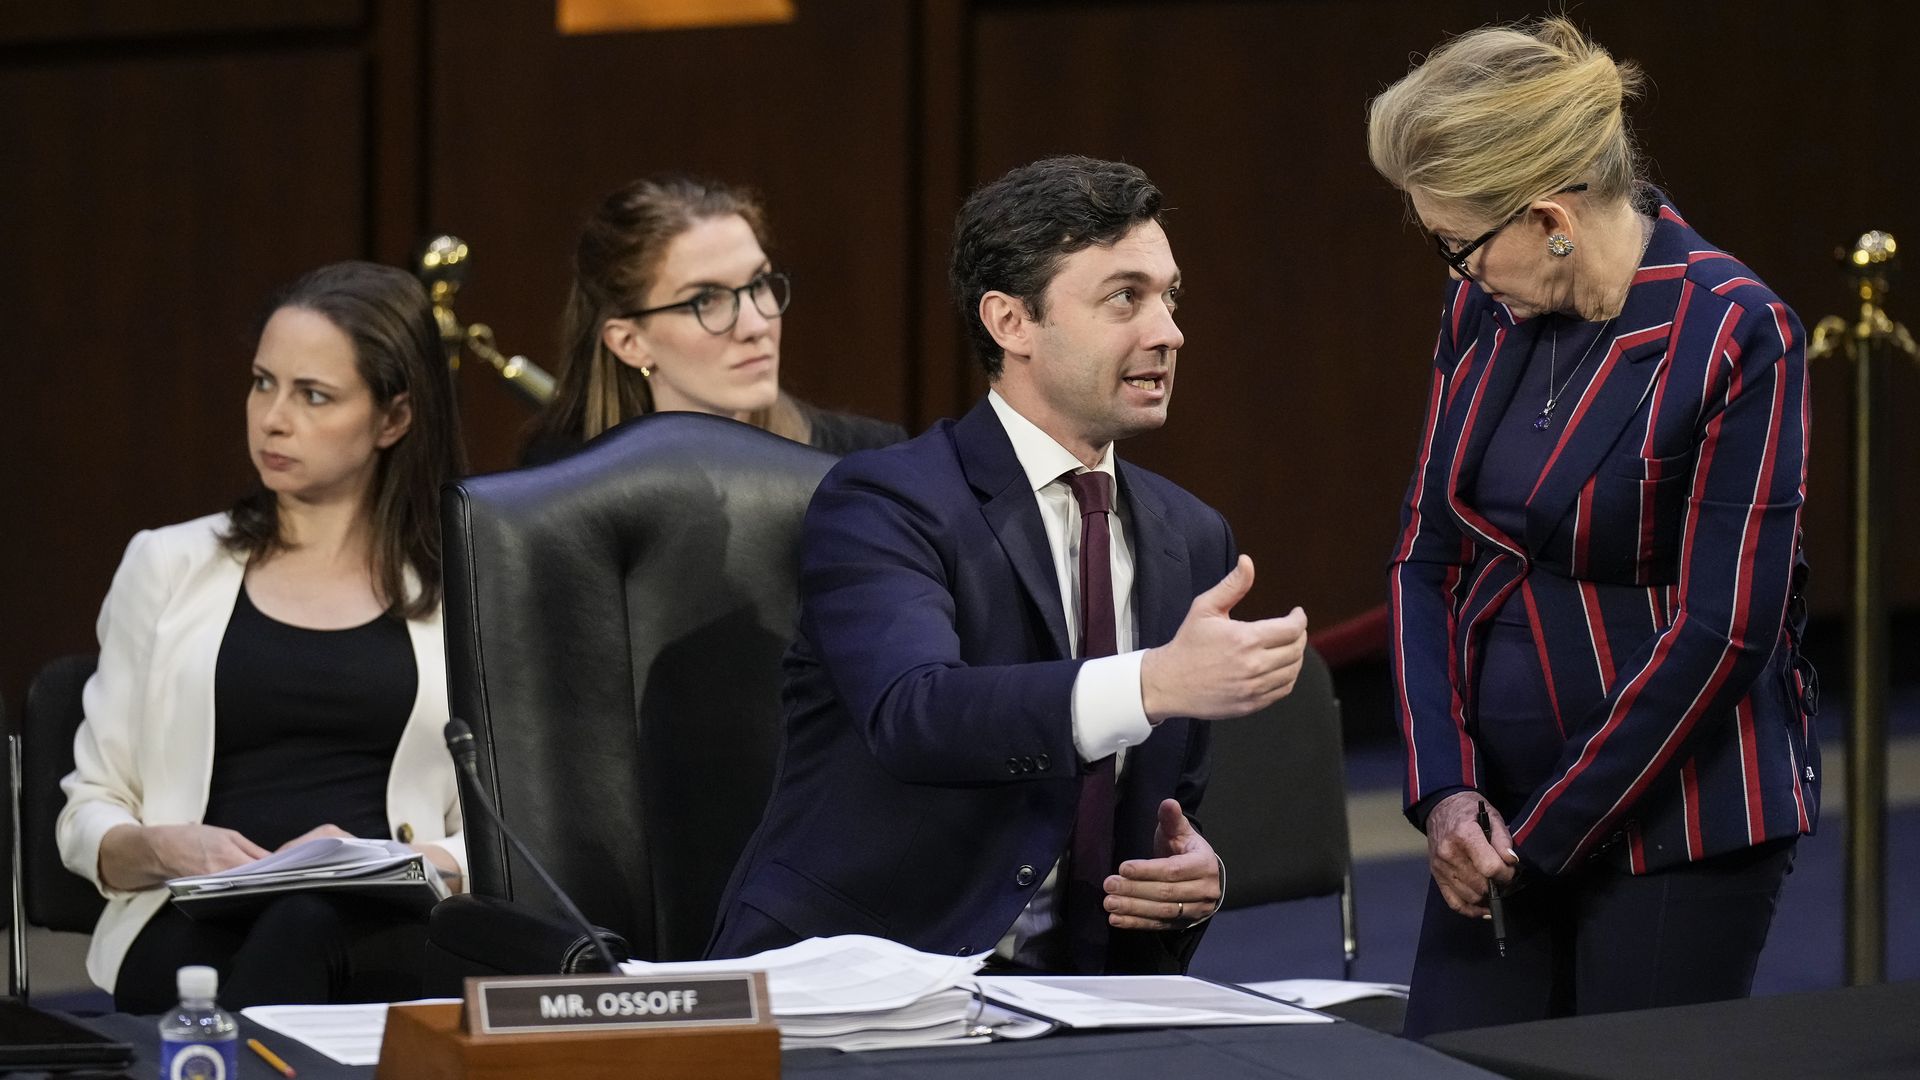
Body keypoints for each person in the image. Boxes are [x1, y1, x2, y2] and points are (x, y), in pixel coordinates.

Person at [708, 156, 1310, 975]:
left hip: (1088, 998)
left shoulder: (1192, 536)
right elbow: (915, 714)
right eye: (1123, 297)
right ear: (1010, 323)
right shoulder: (886, 500)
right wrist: (1150, 683)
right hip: (867, 976)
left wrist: (1193, 879)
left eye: (1169, 296)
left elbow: (1167, 808)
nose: (1168, 331)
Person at [1368, 17, 1817, 1035]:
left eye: (1458, 246)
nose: (1452, 273)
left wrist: (1544, 834)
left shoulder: (1736, 331)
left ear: (1547, 218)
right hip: (1490, 815)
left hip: (1677, 821)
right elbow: (1426, 552)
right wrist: (1446, 791)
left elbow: (1725, 632)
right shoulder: (1485, 310)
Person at [58, 261, 469, 1012]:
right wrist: (162, 848)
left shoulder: (468, 587)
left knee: (305, 922)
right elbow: (91, 808)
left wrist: (411, 860)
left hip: (391, 926)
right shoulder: (166, 564)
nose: (273, 418)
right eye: (261, 382)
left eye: (314, 395)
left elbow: (513, 824)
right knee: (268, 939)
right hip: (193, 914)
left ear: (393, 419)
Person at [524, 175, 906, 465]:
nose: (756, 326)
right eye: (706, 301)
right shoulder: (559, 478)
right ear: (630, 343)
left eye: (757, 283)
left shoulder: (868, 460)